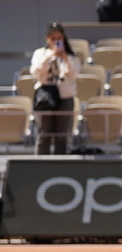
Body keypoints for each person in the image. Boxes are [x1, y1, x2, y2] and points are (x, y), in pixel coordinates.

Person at [30, 23, 80, 155]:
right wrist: (49, 56)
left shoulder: (72, 56)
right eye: (53, 38)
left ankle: (60, 168)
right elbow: (35, 71)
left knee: (61, 136)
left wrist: (65, 58)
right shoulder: (40, 53)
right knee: (44, 134)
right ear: (48, 39)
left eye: (59, 38)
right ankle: (41, 166)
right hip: (46, 96)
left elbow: (73, 75)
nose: (56, 41)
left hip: (65, 97)